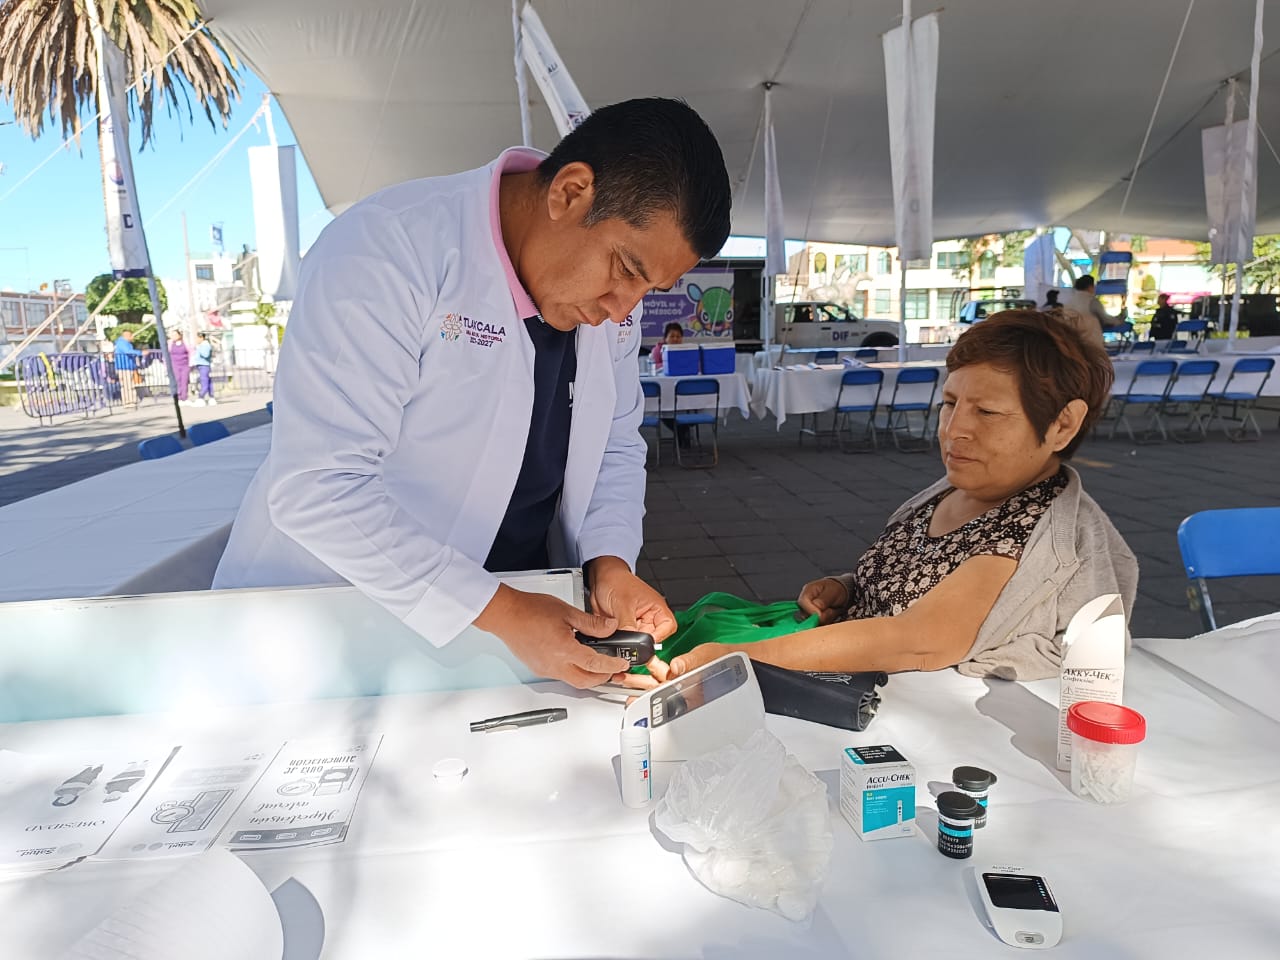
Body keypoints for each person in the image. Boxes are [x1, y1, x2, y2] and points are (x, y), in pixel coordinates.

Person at [213, 98, 733, 690]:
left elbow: (615, 443)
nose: (623, 309)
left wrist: (608, 564)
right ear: (570, 192)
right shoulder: (388, 247)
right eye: (625, 269)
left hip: (511, 624)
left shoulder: (613, 308)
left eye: (648, 289)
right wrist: (503, 612)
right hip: (334, 631)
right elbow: (319, 484)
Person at [654, 311, 1137, 682]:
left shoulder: (1025, 529)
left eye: (987, 412)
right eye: (950, 403)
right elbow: (921, 585)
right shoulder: (960, 489)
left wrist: (737, 658)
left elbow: (917, 640)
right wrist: (848, 587)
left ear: (1063, 425)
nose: (955, 429)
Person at [112, 329, 142, 405]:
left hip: (127, 366)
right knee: (127, 385)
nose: (133, 337)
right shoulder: (122, 343)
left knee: (129, 384)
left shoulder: (124, 343)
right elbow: (128, 351)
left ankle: (131, 400)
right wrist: (140, 352)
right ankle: (129, 401)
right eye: (131, 336)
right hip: (124, 367)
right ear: (127, 336)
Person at [169, 330, 192, 402]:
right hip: (175, 365)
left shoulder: (185, 342)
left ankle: (184, 397)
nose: (174, 336)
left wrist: (191, 363)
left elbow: (191, 352)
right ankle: (178, 397)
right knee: (177, 381)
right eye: (172, 335)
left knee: (184, 381)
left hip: (185, 365)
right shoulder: (170, 343)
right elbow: (166, 354)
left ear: (179, 335)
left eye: (175, 335)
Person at [194, 332, 215, 405]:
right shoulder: (202, 345)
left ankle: (201, 397)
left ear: (201, 338)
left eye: (197, 338)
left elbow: (205, 355)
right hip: (201, 365)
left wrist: (198, 348)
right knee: (208, 381)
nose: (196, 340)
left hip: (204, 365)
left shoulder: (205, 345)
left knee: (204, 382)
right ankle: (211, 397)